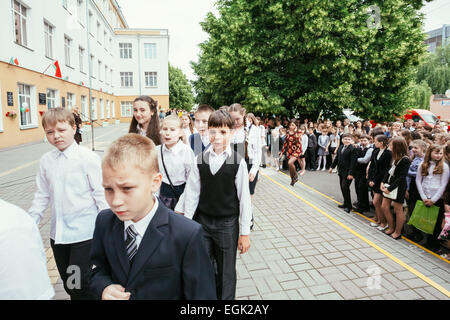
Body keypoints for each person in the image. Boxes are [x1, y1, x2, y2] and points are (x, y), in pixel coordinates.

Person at [90, 134, 216, 300]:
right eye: (108, 189)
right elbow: (95, 269)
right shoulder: (104, 222)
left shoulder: (186, 234)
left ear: (155, 183)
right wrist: (104, 287)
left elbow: (202, 295)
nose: (115, 201)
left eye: (127, 188)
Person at [28, 108, 108, 300]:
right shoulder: (47, 161)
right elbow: (42, 194)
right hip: (58, 237)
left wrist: (107, 230)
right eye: (50, 132)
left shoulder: (87, 158)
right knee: (69, 284)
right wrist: (30, 222)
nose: (56, 136)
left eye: (61, 130)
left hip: (84, 235)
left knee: (81, 285)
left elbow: (101, 195)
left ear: (74, 128)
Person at [175, 110, 252, 300]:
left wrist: (244, 233)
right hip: (203, 222)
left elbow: (244, 199)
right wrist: (188, 224)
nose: (217, 137)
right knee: (204, 267)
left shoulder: (238, 161)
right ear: (207, 132)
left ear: (232, 133)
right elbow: (192, 193)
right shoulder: (199, 159)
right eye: (213, 131)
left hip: (227, 225)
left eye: (223, 132)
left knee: (226, 272)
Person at [0, 198, 54, 300]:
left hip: (82, 231)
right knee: (72, 282)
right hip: (41, 293)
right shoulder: (19, 215)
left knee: (76, 282)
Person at [415, 144, 450, 251]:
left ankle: (434, 245)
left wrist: (433, 199)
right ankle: (426, 241)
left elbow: (443, 185)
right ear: (430, 153)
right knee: (425, 220)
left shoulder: (444, 166)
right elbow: (418, 180)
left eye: (440, 153)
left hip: (437, 199)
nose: (438, 155)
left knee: (435, 223)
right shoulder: (423, 164)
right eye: (436, 153)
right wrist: (423, 196)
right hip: (424, 196)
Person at [157, 115, 195, 211]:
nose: (167, 133)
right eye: (165, 129)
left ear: (180, 133)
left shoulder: (186, 151)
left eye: (172, 129)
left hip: (180, 195)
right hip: (162, 194)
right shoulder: (157, 150)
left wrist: (183, 204)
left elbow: (191, 179)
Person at [380, 137, 411, 240]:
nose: (389, 146)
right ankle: (391, 227)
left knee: (398, 209)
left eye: (391, 145)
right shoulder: (394, 156)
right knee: (384, 206)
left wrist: (390, 189)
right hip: (389, 185)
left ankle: (398, 232)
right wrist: (383, 182)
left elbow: (402, 178)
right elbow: (389, 171)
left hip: (398, 188)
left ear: (397, 146)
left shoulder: (405, 159)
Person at [229, 104, 262, 200]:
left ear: (243, 114)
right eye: (232, 119)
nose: (235, 122)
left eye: (237, 119)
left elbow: (257, 151)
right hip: (231, 166)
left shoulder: (253, 130)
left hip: (249, 166)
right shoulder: (228, 128)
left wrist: (254, 170)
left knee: (247, 199)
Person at [367, 135, 392, 230]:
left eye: (376, 141)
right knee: (376, 203)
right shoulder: (375, 150)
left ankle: (384, 222)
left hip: (381, 180)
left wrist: (375, 180)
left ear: (381, 142)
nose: (374, 143)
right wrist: (370, 179)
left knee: (376, 202)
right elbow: (372, 166)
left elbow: (385, 170)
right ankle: (378, 219)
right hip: (373, 179)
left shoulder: (388, 153)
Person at [329, 133, 357, 213]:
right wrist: (332, 167)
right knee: (342, 187)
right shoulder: (341, 147)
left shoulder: (353, 149)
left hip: (348, 173)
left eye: (349, 139)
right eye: (345, 139)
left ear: (351, 140)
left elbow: (353, 162)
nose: (347, 140)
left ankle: (349, 206)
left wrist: (351, 173)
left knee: (345, 188)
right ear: (342, 140)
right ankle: (345, 203)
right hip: (341, 171)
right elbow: (337, 158)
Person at [405, 140, 427, 242]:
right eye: (412, 148)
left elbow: (420, 173)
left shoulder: (425, 160)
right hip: (412, 186)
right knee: (411, 209)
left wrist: (407, 170)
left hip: (419, 188)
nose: (413, 150)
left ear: (423, 149)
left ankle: (418, 235)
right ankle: (414, 232)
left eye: (416, 148)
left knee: (415, 210)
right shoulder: (415, 158)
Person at [353, 134, 373, 213]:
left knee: (362, 189)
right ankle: (360, 204)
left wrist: (355, 159)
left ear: (369, 141)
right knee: (357, 188)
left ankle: (364, 207)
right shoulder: (359, 147)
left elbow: (365, 160)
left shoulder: (370, 149)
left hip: (365, 172)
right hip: (358, 171)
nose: (363, 142)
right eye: (361, 140)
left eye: (365, 141)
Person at [280, 119, 303, 186]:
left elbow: (298, 141)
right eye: (290, 125)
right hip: (289, 151)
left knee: (290, 162)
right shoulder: (287, 132)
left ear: (296, 125)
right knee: (290, 165)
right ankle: (292, 179)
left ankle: (295, 175)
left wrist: (295, 131)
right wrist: (282, 152)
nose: (291, 126)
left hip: (297, 150)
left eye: (293, 125)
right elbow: (285, 143)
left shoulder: (298, 132)